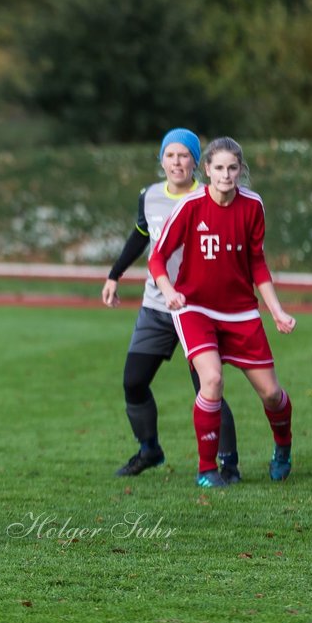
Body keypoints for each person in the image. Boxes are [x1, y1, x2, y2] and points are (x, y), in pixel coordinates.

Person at [148, 137, 296, 487]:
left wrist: (276, 311)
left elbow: (257, 262)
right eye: (218, 168)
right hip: (195, 309)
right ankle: (206, 468)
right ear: (207, 171)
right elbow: (157, 256)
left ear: (241, 171)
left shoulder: (253, 206)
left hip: (241, 312)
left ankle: (283, 448)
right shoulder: (189, 206)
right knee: (211, 380)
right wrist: (169, 291)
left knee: (272, 395)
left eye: (232, 168)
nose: (226, 175)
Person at [102, 128, 240, 481]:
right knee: (134, 381)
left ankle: (228, 464)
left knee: (208, 387)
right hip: (157, 306)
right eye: (170, 155)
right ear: (161, 159)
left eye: (184, 155)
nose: (176, 162)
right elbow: (140, 235)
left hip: (199, 310)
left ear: (197, 162)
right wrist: (114, 275)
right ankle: (149, 449)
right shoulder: (149, 195)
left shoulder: (211, 195)